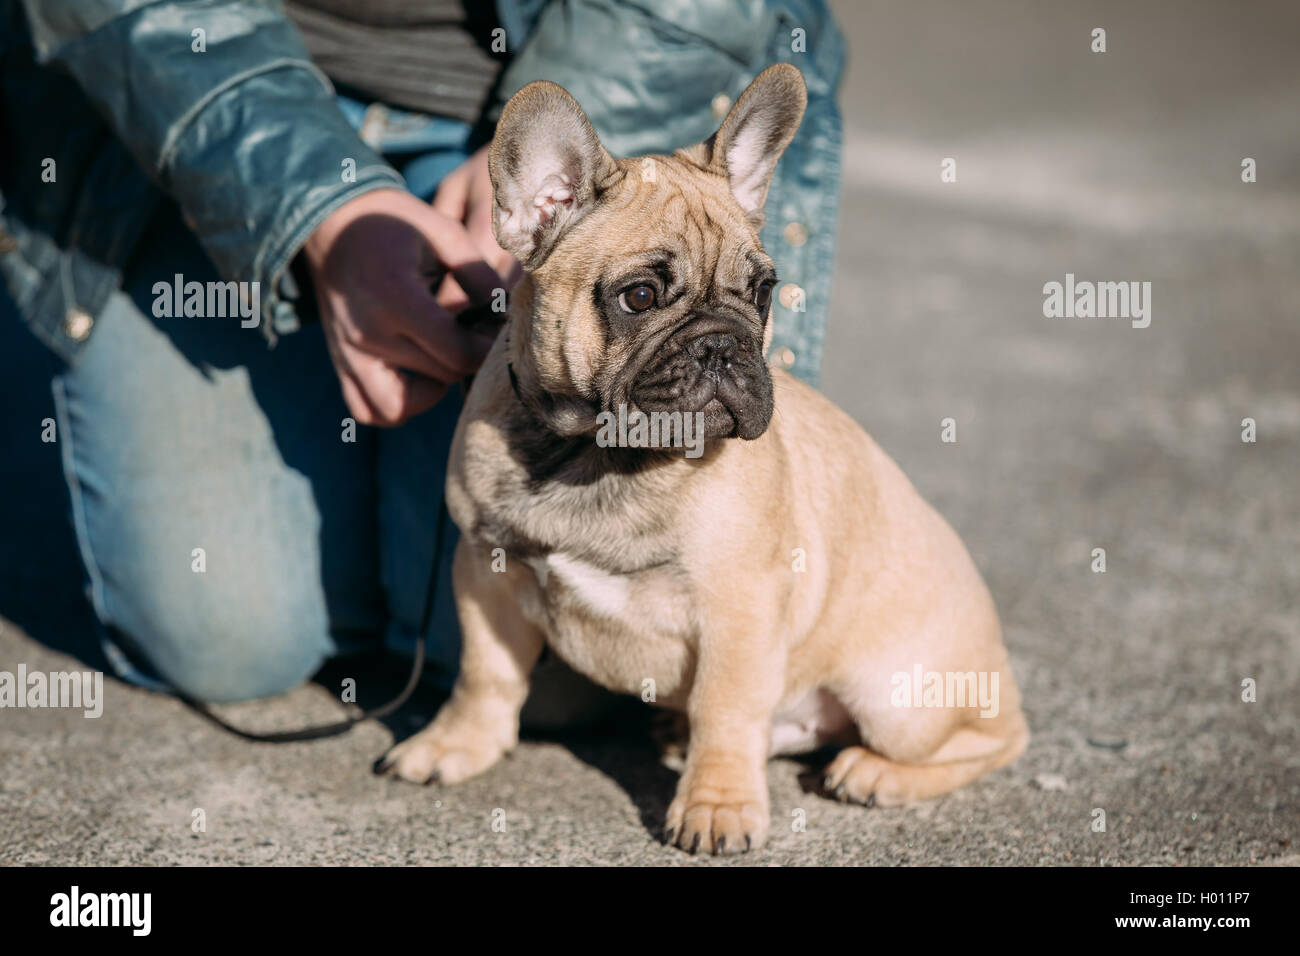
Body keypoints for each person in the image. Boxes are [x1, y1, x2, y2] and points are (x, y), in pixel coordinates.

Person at [0, 0, 843, 706]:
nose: (714, 346)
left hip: (548, 108)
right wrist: (315, 210)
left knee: (581, 681)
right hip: (202, 101)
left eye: (747, 295)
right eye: (642, 298)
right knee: (228, 635)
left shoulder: (625, 204)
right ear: (539, 208)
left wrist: (578, 174)